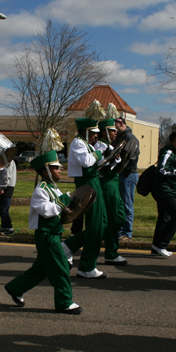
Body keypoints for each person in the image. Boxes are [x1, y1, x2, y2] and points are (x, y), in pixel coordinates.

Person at [5, 151, 81, 314]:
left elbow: (62, 210)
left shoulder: (53, 188)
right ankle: (64, 301)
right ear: (46, 171)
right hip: (46, 235)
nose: (60, 170)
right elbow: (47, 211)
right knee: (60, 268)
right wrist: (63, 201)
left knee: (41, 269)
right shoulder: (41, 190)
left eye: (60, 167)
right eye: (56, 168)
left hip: (53, 233)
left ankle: (15, 287)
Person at [62, 117, 107, 279]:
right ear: (85, 131)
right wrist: (99, 151)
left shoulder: (86, 143)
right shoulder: (78, 143)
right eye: (93, 133)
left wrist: (107, 154)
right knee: (95, 225)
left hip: (93, 180)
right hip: (86, 182)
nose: (96, 135)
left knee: (101, 223)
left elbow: (99, 160)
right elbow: (87, 161)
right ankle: (86, 266)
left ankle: (68, 246)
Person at [96, 121, 127, 265]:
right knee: (111, 219)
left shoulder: (109, 145)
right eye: (112, 130)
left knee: (119, 217)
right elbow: (98, 164)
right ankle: (111, 252)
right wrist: (108, 157)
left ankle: (110, 249)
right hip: (107, 183)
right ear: (105, 131)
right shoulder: (100, 146)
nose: (115, 133)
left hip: (114, 182)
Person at [150, 131, 176, 257]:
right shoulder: (168, 152)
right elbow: (161, 170)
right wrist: (175, 168)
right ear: (171, 142)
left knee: (164, 218)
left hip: (168, 189)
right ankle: (161, 244)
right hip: (163, 190)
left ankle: (156, 247)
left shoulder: (174, 153)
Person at [113, 117, 140, 240]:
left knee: (127, 203)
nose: (114, 127)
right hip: (122, 174)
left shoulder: (129, 138)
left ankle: (127, 232)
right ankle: (120, 230)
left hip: (128, 174)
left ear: (122, 124)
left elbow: (126, 156)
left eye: (116, 124)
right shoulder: (120, 137)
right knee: (120, 203)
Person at [0, 158, 17, 235]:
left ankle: (9, 228)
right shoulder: (5, 161)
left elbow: (7, 175)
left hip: (6, 188)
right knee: (1, 209)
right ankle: (4, 227)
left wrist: (2, 187)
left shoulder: (8, 161)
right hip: (3, 187)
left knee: (4, 209)